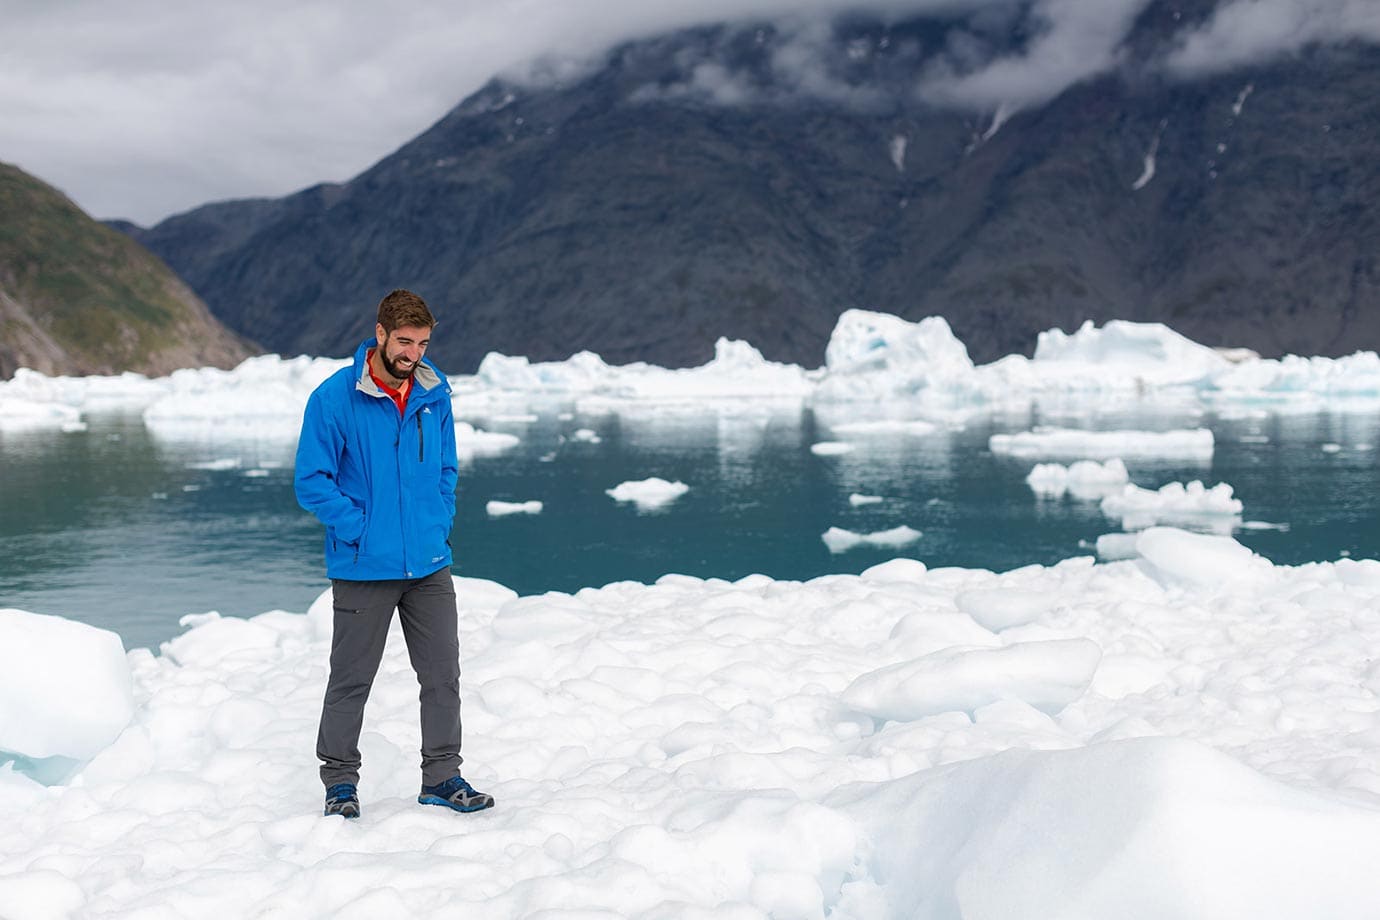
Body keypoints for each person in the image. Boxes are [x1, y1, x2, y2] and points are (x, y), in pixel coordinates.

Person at [294, 288, 493, 819]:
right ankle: (339, 784)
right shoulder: (334, 399)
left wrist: (438, 520)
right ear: (379, 334)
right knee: (351, 680)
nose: (414, 354)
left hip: (428, 563)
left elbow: (447, 468)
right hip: (364, 565)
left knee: (442, 674)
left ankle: (442, 776)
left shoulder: (434, 391)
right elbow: (311, 481)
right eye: (404, 342)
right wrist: (359, 529)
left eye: (423, 343)